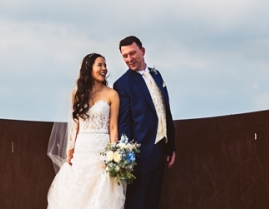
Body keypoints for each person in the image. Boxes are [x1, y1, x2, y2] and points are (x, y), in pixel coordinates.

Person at [46, 53, 125, 209]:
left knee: (100, 197)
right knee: (76, 196)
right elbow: (75, 125)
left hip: (101, 150)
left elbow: (113, 127)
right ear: (89, 68)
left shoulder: (112, 94)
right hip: (81, 150)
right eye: (100, 65)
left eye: (105, 65)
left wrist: (113, 156)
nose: (104, 69)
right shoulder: (77, 95)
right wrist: (70, 150)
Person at [112, 36, 175, 209]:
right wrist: (128, 159)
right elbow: (124, 123)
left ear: (143, 51)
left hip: (159, 150)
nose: (129, 59)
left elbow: (165, 110)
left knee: (153, 202)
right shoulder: (122, 84)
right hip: (139, 156)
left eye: (132, 53)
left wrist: (170, 147)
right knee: (136, 204)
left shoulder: (156, 74)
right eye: (125, 56)